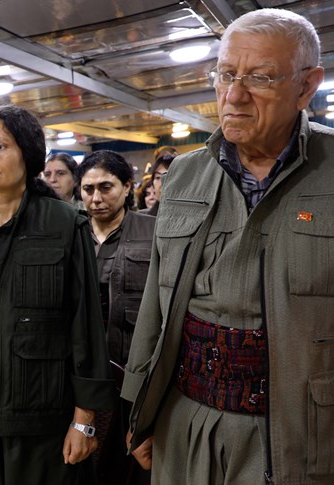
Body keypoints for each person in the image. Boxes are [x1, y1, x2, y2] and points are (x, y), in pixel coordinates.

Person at [122, 9, 333, 485]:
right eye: (225, 74)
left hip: (300, 435)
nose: (234, 95)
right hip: (183, 421)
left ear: (306, 86)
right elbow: (157, 300)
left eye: (259, 77)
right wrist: (141, 407)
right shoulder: (185, 174)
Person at [0, 105, 116, 485]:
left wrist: (84, 421)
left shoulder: (65, 224)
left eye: (0, 146)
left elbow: (86, 328)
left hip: (40, 415)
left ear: (28, 153)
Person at [76, 150, 155, 485]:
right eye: (88, 189)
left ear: (127, 186)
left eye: (105, 187)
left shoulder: (152, 231)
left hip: (135, 372)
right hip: (83, 375)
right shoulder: (72, 233)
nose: (96, 198)